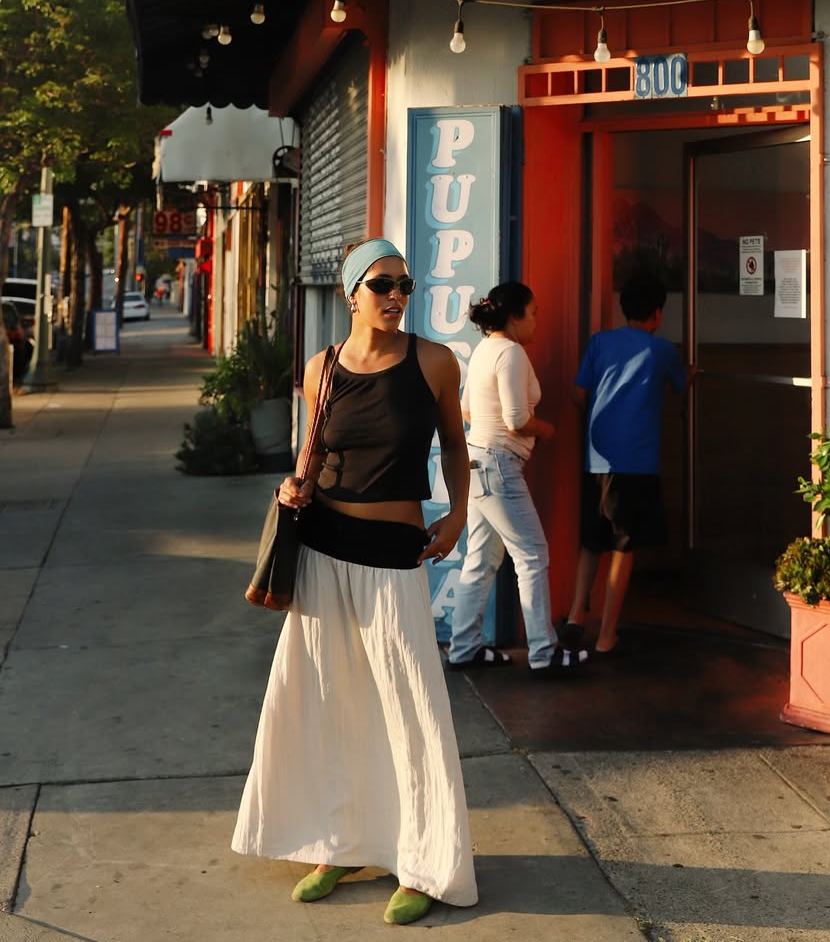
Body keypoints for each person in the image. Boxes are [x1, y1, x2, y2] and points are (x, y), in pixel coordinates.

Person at [232, 238, 478, 926]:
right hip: (323, 549)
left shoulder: (435, 362)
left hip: (393, 554)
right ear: (351, 294)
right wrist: (292, 487)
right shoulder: (324, 367)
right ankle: (338, 844)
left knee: (411, 708)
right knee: (329, 704)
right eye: (382, 285)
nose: (397, 296)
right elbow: (311, 457)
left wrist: (459, 514)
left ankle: (425, 862)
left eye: (405, 285)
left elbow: (455, 447)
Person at [447, 282, 588, 676]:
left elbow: (467, 410)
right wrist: (545, 430)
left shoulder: (484, 350)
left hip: (478, 463)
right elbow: (516, 419)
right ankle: (544, 652)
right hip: (499, 466)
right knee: (532, 555)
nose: (537, 321)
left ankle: (464, 649)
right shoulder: (510, 353)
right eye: (534, 313)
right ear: (514, 317)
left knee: (480, 559)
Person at [560, 273, 688, 656]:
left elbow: (578, 394)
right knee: (623, 546)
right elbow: (682, 384)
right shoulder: (661, 350)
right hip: (637, 462)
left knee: (591, 542)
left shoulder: (600, 342)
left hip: (596, 459)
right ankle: (606, 635)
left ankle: (575, 617)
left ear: (623, 308)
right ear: (658, 313)